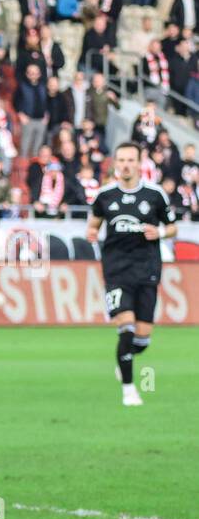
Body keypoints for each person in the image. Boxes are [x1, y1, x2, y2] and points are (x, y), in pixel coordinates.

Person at [86, 143, 178, 407]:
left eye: (130, 160)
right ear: (116, 163)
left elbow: (173, 228)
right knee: (125, 328)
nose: (125, 165)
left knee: (142, 339)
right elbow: (93, 224)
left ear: (139, 163)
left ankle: (124, 359)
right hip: (116, 270)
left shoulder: (155, 195)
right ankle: (129, 389)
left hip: (147, 269)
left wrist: (160, 232)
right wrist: (91, 233)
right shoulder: (105, 196)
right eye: (121, 160)